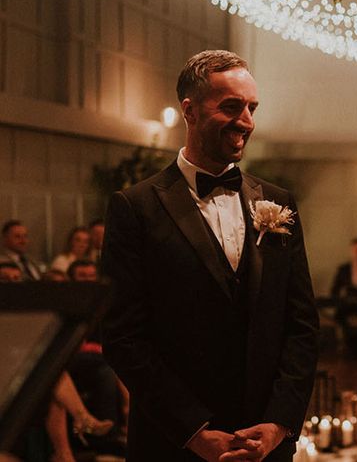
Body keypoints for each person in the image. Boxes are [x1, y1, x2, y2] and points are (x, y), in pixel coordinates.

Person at [102, 49, 319, 462]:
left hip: (266, 446)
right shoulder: (135, 207)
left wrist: (277, 425)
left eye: (252, 108)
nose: (247, 122)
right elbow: (122, 337)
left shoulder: (276, 201)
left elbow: (302, 325)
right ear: (190, 110)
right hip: (173, 445)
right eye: (232, 107)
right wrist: (195, 432)